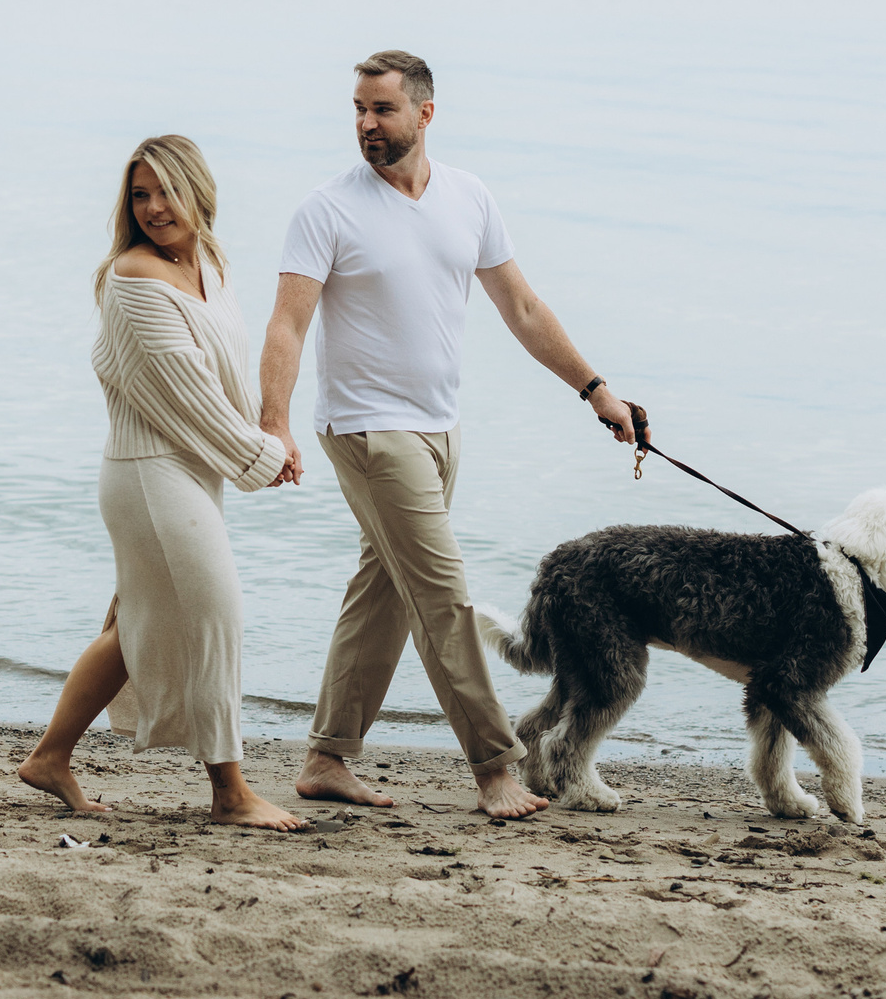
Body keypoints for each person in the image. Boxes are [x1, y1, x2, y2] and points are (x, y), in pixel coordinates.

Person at [259, 50, 641, 820]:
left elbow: (522, 308)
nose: (367, 124)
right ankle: (498, 765)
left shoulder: (469, 197)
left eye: (383, 110)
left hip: (439, 427)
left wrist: (595, 389)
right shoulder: (326, 209)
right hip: (368, 430)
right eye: (358, 110)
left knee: (385, 593)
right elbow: (288, 323)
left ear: (424, 113)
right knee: (442, 596)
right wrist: (274, 421)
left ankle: (328, 757)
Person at [18, 134, 309, 832]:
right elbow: (187, 396)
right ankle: (230, 791)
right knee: (216, 615)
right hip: (149, 475)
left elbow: (223, 374)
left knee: (135, 627)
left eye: (166, 191)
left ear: (198, 191)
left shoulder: (208, 262)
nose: (153, 207)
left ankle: (49, 757)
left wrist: (270, 433)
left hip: (187, 472)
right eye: (139, 194)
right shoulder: (134, 278)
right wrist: (261, 457)